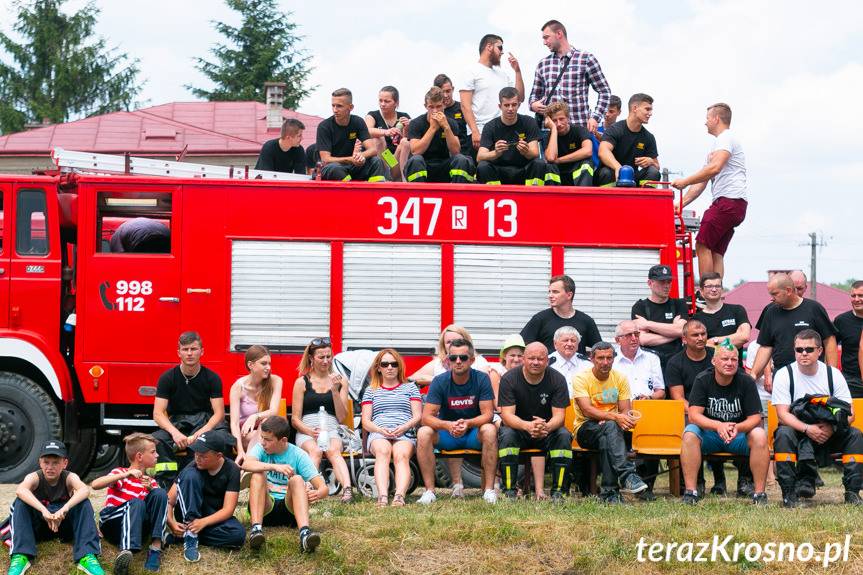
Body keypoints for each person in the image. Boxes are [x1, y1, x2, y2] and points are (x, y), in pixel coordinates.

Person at [771, 330, 863, 507]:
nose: (803, 353)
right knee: (783, 434)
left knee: (855, 435)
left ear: (820, 351)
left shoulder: (833, 374)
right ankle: (789, 494)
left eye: (809, 349)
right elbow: (782, 415)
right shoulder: (784, 374)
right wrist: (807, 429)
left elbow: (850, 413)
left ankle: (852, 492)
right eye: (799, 349)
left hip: (829, 431)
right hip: (799, 432)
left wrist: (831, 428)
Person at [679, 342, 769, 505]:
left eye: (734, 359)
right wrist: (718, 426)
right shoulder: (703, 379)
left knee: (760, 434)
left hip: (738, 435)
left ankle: (759, 494)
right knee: (690, 433)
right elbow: (693, 415)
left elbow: (755, 418)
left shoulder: (746, 381)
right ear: (714, 361)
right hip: (710, 435)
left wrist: (737, 427)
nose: (729, 363)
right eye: (725, 359)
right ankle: (691, 492)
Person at [1, 441, 103, 575]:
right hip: (39, 528)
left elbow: (84, 490)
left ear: (64, 463)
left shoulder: (70, 477)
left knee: (84, 503)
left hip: (64, 527)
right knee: (20, 502)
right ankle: (21, 556)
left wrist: (64, 509)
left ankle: (87, 556)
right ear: (40, 462)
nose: (50, 467)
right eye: (46, 462)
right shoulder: (34, 477)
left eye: (55, 462)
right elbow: (21, 490)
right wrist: (44, 511)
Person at [416, 338, 498, 505]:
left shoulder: (482, 379)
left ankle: (489, 491)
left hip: (472, 433)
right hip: (447, 434)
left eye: (463, 358)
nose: (458, 361)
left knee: (489, 429)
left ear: (472, 360)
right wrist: (448, 425)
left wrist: (468, 423)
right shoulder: (440, 381)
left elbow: (488, 414)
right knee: (423, 432)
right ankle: (429, 491)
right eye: (453, 358)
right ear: (448, 360)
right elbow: (426, 417)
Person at [671, 103, 747, 279]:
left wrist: (684, 181)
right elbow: (702, 181)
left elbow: (714, 168)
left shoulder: (725, 138)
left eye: (707, 119)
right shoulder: (717, 145)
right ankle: (716, 293)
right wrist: (680, 204)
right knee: (715, 251)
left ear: (716, 119)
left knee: (702, 245)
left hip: (728, 201)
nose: (705, 123)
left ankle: (707, 290)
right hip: (735, 204)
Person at [572, 342, 649, 504]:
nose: (605, 362)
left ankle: (609, 493)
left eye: (609, 358)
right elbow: (587, 410)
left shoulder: (620, 378)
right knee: (611, 427)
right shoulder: (581, 378)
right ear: (591, 358)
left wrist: (623, 419)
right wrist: (613, 417)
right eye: (600, 358)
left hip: (611, 429)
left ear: (614, 359)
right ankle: (628, 475)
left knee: (607, 436)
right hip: (585, 428)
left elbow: (625, 410)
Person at [152, 331, 228, 488]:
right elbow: (158, 414)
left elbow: (219, 413)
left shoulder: (212, 378)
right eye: (185, 349)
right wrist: (175, 433)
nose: (189, 353)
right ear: (178, 352)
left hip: (205, 421)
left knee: (223, 437)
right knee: (157, 439)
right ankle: (167, 484)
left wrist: (202, 432)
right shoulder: (167, 378)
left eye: (193, 349)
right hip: (178, 423)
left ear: (202, 351)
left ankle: (216, 482)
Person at [497, 342, 572, 500]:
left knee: (564, 436)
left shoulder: (558, 379)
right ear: (523, 359)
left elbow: (559, 416)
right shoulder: (509, 379)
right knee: (507, 434)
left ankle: (559, 491)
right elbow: (507, 415)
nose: (535, 362)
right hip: (519, 430)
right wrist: (527, 426)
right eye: (531, 358)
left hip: (546, 431)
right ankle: (509, 490)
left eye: (540, 359)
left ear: (547, 360)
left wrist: (546, 426)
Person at [242, 416, 326, 552]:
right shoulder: (260, 448)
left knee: (297, 479)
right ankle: (256, 530)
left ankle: (305, 534)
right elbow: (246, 464)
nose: (263, 442)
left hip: (291, 511)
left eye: (268, 440)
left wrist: (317, 493)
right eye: (262, 438)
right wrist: (274, 467)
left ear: (283, 440)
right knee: (257, 474)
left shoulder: (298, 454)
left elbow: (323, 488)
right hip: (265, 509)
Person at [665, 320, 729, 495]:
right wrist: (698, 414)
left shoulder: (717, 356)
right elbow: (678, 398)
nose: (701, 338)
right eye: (695, 335)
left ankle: (725, 480)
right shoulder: (675, 363)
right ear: (684, 339)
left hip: (721, 409)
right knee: (693, 429)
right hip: (691, 413)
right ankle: (697, 481)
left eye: (703, 334)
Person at [91, 433, 166, 575]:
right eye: (153, 452)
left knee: (160, 493)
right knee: (136, 503)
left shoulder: (151, 482)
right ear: (139, 456)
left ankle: (156, 548)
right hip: (112, 524)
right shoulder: (120, 472)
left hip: (137, 528)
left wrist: (151, 489)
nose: (157, 455)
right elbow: (95, 485)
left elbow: (160, 508)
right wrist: (126, 475)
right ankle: (125, 552)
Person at [165, 432, 245, 562]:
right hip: (188, 514)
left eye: (203, 456)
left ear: (219, 455)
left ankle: (184, 535)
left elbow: (228, 510)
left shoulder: (232, 469)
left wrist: (203, 522)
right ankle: (190, 535)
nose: (197, 458)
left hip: (211, 518)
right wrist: (171, 522)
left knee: (238, 536)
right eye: (196, 453)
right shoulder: (192, 467)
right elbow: (169, 501)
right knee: (190, 475)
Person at [291, 337, 353, 503]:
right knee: (315, 450)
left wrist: (334, 390)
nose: (326, 361)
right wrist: (310, 431)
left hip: (332, 427)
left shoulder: (340, 381)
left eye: (328, 356)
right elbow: (295, 420)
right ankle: (307, 489)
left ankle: (347, 490)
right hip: (307, 428)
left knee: (333, 450)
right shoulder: (302, 382)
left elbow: (341, 417)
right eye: (321, 357)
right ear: (311, 358)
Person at [751, 273, 838, 385]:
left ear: (788, 290)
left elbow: (829, 340)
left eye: (775, 294)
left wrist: (831, 374)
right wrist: (753, 374)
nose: (771, 298)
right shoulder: (770, 312)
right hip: (782, 375)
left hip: (812, 375)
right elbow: (765, 347)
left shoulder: (814, 308)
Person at [360, 349, 422, 507]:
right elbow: (366, 421)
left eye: (394, 364)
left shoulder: (411, 388)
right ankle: (382, 496)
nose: (389, 367)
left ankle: (399, 496)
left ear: (399, 367)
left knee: (401, 455)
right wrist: (380, 430)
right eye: (385, 364)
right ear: (378, 367)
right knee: (383, 451)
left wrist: (404, 427)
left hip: (405, 432)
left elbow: (417, 416)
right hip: (378, 432)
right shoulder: (371, 390)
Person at [612, 319, 664, 499]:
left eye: (637, 334)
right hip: (619, 414)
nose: (634, 338)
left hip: (646, 414)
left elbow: (661, 391)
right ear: (618, 340)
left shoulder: (652, 358)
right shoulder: (611, 360)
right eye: (629, 335)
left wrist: (649, 398)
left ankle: (646, 486)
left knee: (653, 433)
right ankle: (620, 482)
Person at [528, 19, 611, 131]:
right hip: (549, 131)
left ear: (559, 34)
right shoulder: (543, 64)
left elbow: (605, 91)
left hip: (578, 129)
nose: (544, 42)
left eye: (546, 37)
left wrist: (595, 118)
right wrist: (533, 105)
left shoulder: (585, 58)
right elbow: (534, 96)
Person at [459, 34, 524, 152]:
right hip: (480, 132)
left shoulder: (502, 74)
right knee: (481, 169)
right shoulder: (471, 71)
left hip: (503, 131)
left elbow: (519, 98)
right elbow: (465, 105)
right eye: (500, 47)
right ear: (489, 46)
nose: (502, 52)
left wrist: (517, 71)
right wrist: (474, 132)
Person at [476, 87, 551, 186]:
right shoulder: (490, 126)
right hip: (499, 171)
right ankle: (494, 196)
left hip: (523, 170)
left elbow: (535, 153)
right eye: (506, 105)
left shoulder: (529, 122)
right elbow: (479, 157)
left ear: (519, 105)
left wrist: (526, 151)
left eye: (514, 105)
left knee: (539, 163)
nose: (510, 109)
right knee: (483, 166)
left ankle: (533, 195)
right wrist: (496, 153)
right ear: (500, 106)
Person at [404, 87, 475, 183]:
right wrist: (432, 128)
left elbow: (455, 151)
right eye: (431, 107)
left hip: (444, 165)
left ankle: (458, 195)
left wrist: (446, 128)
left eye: (438, 106)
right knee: (415, 160)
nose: (435, 111)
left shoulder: (451, 123)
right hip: (424, 165)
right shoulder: (416, 123)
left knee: (461, 159)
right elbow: (416, 151)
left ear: (444, 105)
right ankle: (418, 194)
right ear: (425, 106)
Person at [317, 88, 387, 182]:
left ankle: (375, 192)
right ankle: (349, 193)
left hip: (357, 164)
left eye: (339, 106)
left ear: (351, 107)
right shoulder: (324, 126)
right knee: (335, 168)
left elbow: (373, 150)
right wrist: (352, 159)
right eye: (333, 106)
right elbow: (326, 159)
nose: (335, 110)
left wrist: (360, 157)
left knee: (376, 161)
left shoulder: (358, 121)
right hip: (334, 166)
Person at [228, 345, 283, 466]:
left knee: (266, 422)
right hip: (245, 436)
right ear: (250, 365)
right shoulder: (238, 387)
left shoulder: (276, 381)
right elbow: (234, 423)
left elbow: (274, 411)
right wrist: (240, 451)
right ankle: (253, 465)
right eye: (263, 363)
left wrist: (255, 417)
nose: (268, 367)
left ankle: (249, 464)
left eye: (269, 363)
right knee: (256, 434)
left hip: (269, 433)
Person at [521, 274, 602, 355]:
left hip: (578, 367)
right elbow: (521, 345)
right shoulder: (540, 319)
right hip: (548, 367)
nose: (550, 296)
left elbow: (600, 350)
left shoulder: (586, 321)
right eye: (549, 292)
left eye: (555, 292)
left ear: (569, 295)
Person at [594, 93, 660, 187]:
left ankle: (644, 201)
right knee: (606, 172)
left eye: (651, 109)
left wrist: (651, 162)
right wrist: (618, 168)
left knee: (653, 172)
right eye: (647, 109)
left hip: (633, 178)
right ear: (635, 108)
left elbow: (657, 166)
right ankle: (609, 201)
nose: (650, 113)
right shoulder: (615, 129)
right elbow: (603, 151)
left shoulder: (649, 137)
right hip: (612, 176)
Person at [631, 265, 688, 370]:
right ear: (650, 283)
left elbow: (681, 329)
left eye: (669, 281)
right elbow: (643, 339)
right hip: (649, 364)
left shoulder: (679, 304)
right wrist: (674, 333)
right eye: (662, 282)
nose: (667, 286)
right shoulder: (640, 307)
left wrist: (647, 324)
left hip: (676, 363)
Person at [409, 325, 494, 387]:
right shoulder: (438, 363)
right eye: (449, 342)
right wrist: (435, 380)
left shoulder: (478, 361)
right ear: (443, 345)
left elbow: (482, 383)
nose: (453, 344)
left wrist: (436, 380)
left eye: (457, 340)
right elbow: (410, 379)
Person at [693, 272, 751, 356]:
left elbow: (744, 336)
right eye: (709, 286)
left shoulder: (737, 310)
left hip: (735, 367)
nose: (714, 289)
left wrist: (714, 341)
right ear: (701, 291)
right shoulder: (696, 319)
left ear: (722, 289)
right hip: (709, 367)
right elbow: (699, 347)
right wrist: (735, 338)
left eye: (717, 286)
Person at [365, 86, 411, 181]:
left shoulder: (404, 116)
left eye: (387, 101)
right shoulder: (373, 115)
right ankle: (384, 176)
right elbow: (366, 130)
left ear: (396, 103)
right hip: (384, 159)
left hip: (397, 161)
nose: (382, 104)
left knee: (405, 142)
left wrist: (406, 129)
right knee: (378, 138)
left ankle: (404, 182)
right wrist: (386, 132)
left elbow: (411, 142)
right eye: (380, 100)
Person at [543, 101, 594, 186]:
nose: (558, 124)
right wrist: (554, 130)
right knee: (549, 166)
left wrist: (559, 160)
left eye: (561, 119)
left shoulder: (580, 130)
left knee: (587, 163)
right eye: (554, 121)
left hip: (577, 175)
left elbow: (588, 151)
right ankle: (553, 197)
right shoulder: (549, 136)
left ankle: (583, 197)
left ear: (568, 118)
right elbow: (551, 158)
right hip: (559, 176)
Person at [833, 281, 863, 398]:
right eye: (853, 295)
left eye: (861, 295)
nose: (856, 299)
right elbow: (830, 347)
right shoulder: (841, 321)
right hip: (850, 381)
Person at [548, 326, 593, 397]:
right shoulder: (546, 363)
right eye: (565, 340)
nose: (569, 344)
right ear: (555, 344)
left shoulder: (587, 364)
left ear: (578, 344)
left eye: (573, 341)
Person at [433, 73, 471, 156]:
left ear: (453, 89)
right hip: (440, 155)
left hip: (462, 153)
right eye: (442, 92)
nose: (446, 95)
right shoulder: (433, 111)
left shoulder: (463, 108)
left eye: (448, 91)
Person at [590, 95, 621, 169]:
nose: (607, 114)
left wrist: (599, 137)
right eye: (605, 110)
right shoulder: (593, 126)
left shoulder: (620, 131)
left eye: (611, 111)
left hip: (609, 170)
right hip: (591, 168)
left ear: (619, 112)